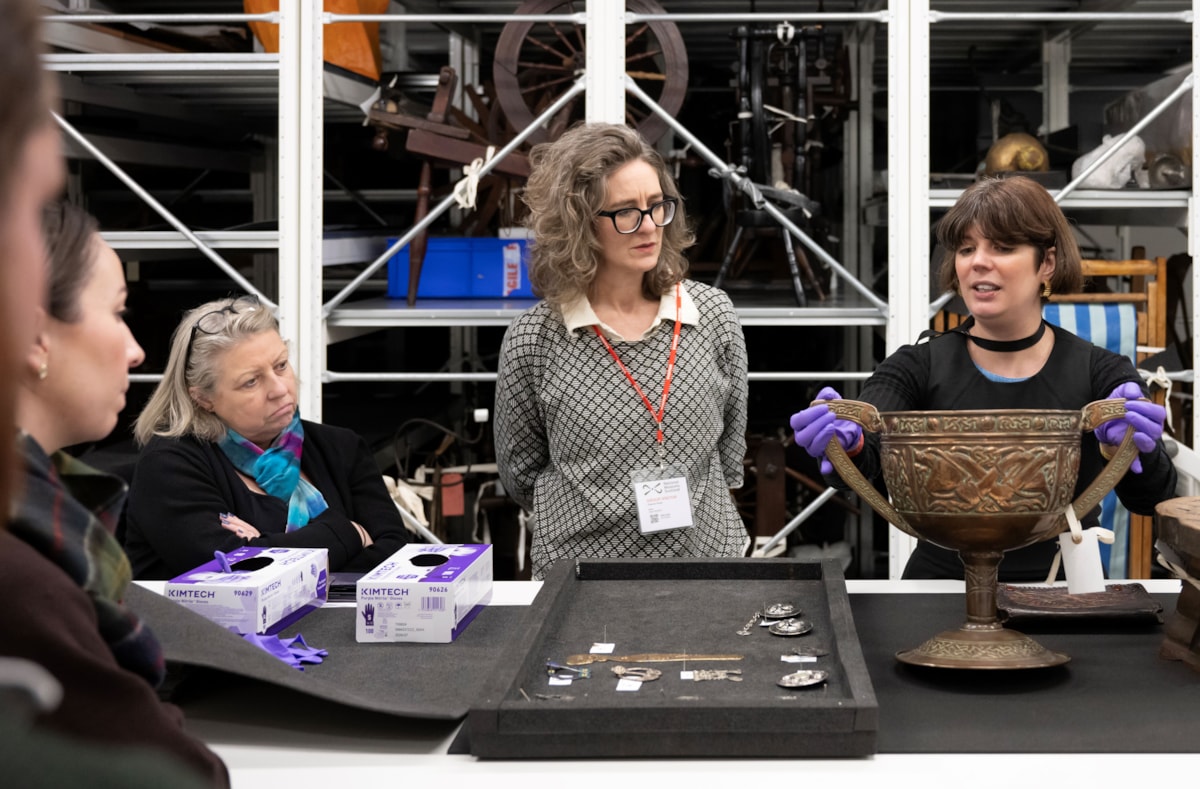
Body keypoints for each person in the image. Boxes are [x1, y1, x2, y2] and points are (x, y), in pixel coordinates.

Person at [790, 175, 1177, 581]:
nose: (977, 261)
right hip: (939, 593)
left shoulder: (1102, 371)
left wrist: (1134, 448)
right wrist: (844, 443)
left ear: (1046, 262)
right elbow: (867, 452)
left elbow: (1153, 498)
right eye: (966, 248)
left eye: (1003, 247)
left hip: (1065, 594)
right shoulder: (914, 366)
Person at [494, 122, 749, 581]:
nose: (649, 226)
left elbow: (730, 450)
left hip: (708, 568)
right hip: (579, 577)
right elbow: (521, 475)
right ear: (578, 224)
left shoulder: (712, 314)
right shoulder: (534, 338)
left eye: (657, 206)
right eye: (626, 212)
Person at [123, 295, 410, 579]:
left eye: (281, 365)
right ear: (202, 398)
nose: (280, 389)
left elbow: (396, 559)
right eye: (251, 381)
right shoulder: (170, 465)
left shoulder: (341, 447)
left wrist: (264, 547)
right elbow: (231, 574)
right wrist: (349, 533)